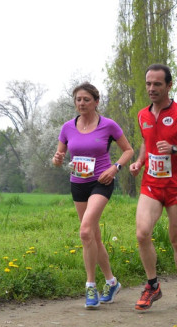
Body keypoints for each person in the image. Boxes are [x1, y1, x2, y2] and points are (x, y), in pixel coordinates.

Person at [52, 82, 134, 309]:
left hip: (102, 182)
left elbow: (128, 150)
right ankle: (111, 281)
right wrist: (57, 159)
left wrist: (115, 167)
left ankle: (90, 287)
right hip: (78, 183)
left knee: (86, 230)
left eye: (86, 99)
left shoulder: (108, 125)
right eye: (78, 99)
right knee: (93, 237)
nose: (81, 103)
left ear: (96, 102)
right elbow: (58, 155)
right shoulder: (68, 127)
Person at [130, 64, 177, 311]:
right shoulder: (142, 115)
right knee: (142, 233)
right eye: (149, 83)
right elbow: (145, 142)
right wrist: (140, 161)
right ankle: (153, 286)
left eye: (157, 84)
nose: (151, 88)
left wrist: (175, 149)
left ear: (169, 85)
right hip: (151, 184)